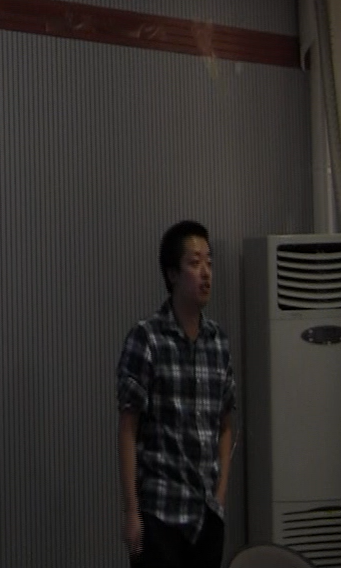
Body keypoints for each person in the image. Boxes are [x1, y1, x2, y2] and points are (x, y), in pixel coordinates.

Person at [116, 220, 236, 568]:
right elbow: (128, 429)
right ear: (172, 275)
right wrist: (131, 511)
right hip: (161, 512)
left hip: (206, 516)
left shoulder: (218, 341)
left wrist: (220, 495)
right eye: (195, 263)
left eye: (209, 262)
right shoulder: (147, 338)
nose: (206, 273)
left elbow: (226, 425)